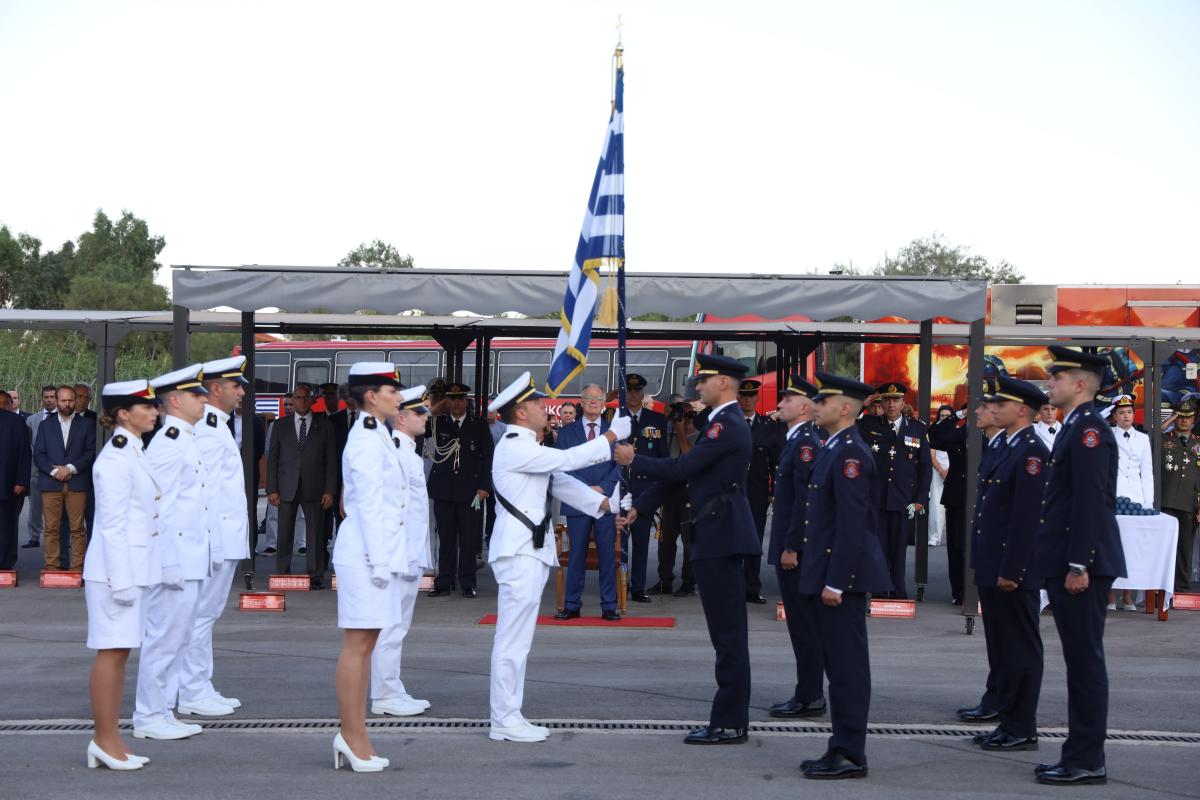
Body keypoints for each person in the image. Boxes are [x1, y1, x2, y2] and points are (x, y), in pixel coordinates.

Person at [616, 354, 760, 745]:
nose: (698, 387)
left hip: (722, 535)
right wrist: (640, 508)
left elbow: (680, 470)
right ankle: (729, 718)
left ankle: (730, 721)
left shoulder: (725, 426)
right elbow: (686, 479)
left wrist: (634, 460)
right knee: (724, 634)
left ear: (724, 384)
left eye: (704, 380)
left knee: (729, 635)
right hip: (715, 534)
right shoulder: (717, 423)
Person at [488, 372, 627, 743]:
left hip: (527, 552)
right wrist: (612, 436)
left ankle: (510, 713)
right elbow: (567, 460)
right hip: (518, 552)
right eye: (535, 404)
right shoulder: (516, 445)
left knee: (519, 639)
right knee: (512, 640)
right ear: (520, 413)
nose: (542, 408)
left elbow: (561, 482)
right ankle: (503, 718)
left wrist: (602, 504)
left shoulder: (526, 446)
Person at [1033, 346, 1127, 786]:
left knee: (1085, 663)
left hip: (1081, 564)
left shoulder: (1088, 430)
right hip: (1070, 560)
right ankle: (1078, 753)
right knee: (1079, 661)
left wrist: (1078, 564)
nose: (1049, 383)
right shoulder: (1075, 426)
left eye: (1057, 377)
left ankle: (1087, 759)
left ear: (1081, 384)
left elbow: (1091, 503)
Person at [796, 372, 892, 779]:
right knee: (839, 667)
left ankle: (851, 753)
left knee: (848, 669)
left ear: (847, 408)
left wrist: (836, 580)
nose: (816, 406)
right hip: (831, 573)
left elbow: (853, 527)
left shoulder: (850, 453)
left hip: (843, 578)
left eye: (824, 400)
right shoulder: (835, 447)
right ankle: (840, 746)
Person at [330, 363, 409, 771]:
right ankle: (351, 734)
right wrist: (380, 562)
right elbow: (367, 506)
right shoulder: (364, 439)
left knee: (367, 644)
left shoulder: (379, 435)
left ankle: (356, 733)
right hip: (365, 555)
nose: (399, 396)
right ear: (371, 396)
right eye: (392, 390)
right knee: (357, 646)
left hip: (376, 554)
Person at [82, 380, 162, 771]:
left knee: (120, 653)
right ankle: (104, 739)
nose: (154, 412)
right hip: (116, 573)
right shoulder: (114, 458)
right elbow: (111, 526)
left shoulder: (133, 451)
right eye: (144, 408)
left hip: (130, 569)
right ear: (123, 414)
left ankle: (111, 737)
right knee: (111, 653)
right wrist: (122, 581)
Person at [968, 376, 1050, 753]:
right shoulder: (1007, 445)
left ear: (1021, 410)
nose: (992, 409)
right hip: (994, 561)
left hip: (1013, 567)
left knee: (1021, 647)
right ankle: (1007, 716)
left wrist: (1013, 569)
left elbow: (1026, 518)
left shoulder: (1031, 452)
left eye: (1001, 404)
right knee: (1002, 644)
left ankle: (1022, 725)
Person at [133, 365, 210, 741]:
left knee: (179, 638)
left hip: (190, 557)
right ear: (176, 401)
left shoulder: (186, 439)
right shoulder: (168, 442)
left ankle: (164, 709)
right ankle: (149, 715)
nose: (205, 399)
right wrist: (167, 562)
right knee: (164, 638)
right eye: (198, 395)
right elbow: (155, 507)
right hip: (175, 559)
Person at [175, 357, 252, 718]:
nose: (241, 392)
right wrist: (214, 543)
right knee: (200, 615)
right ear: (216, 389)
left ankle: (200, 684)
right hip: (215, 539)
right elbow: (202, 491)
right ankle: (191, 690)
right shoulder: (207, 427)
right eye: (235, 385)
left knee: (207, 614)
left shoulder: (217, 424)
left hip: (225, 536)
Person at [370, 386, 436, 718]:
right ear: (401, 417)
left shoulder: (407, 452)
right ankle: (384, 693)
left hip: (408, 552)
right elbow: (394, 511)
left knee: (398, 625)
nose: (426, 416)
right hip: (400, 554)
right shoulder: (397, 452)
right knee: (391, 625)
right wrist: (405, 557)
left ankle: (391, 687)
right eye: (419, 412)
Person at [766, 375, 827, 720]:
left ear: (804, 406)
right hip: (792, 547)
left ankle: (810, 695)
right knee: (800, 626)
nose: (779, 405)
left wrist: (792, 547)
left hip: (797, 551)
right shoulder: (795, 440)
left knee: (805, 626)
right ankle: (808, 692)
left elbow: (805, 502)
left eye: (787, 400)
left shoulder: (805, 443)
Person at [552, 384, 622, 620]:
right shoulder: (566, 433)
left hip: (605, 500)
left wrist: (602, 488)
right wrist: (585, 491)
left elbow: (620, 465)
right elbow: (563, 465)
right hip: (577, 501)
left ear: (604, 404)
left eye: (598, 399)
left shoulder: (615, 431)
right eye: (588, 398)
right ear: (580, 402)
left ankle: (609, 605)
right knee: (576, 554)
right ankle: (572, 605)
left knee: (607, 555)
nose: (593, 402)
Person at [857, 382, 931, 599]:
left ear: (903, 403)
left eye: (895, 400)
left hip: (904, 499)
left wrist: (921, 500)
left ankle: (898, 591)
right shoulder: (869, 423)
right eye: (887, 400)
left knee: (899, 549)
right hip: (876, 497)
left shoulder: (917, 428)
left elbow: (925, 467)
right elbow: (846, 421)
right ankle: (880, 591)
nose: (891, 405)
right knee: (877, 548)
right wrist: (864, 403)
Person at [266, 384, 338, 584]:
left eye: (306, 398)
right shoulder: (280, 425)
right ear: (293, 400)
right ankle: (282, 573)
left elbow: (332, 461)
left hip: (315, 487)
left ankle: (315, 575)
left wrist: (330, 491)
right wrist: (272, 489)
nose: (302, 401)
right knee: (284, 533)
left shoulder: (324, 425)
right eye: (298, 397)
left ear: (312, 400)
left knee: (315, 534)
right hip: (286, 487)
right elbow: (273, 460)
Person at [427, 382, 493, 598]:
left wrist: (484, 487)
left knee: (468, 540)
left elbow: (487, 459)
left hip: (470, 492)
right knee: (446, 540)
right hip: (444, 490)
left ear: (467, 401)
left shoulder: (479, 425)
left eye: (460, 398)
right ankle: (443, 582)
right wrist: (433, 410)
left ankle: (467, 583)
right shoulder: (437, 423)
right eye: (452, 399)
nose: (456, 403)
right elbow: (417, 425)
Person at [615, 373, 669, 603]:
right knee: (618, 543)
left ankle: (637, 587)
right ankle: (618, 586)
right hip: (618, 490)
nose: (634, 394)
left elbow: (663, 457)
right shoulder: (615, 417)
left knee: (641, 543)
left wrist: (657, 492)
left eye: (638, 390)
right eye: (630, 390)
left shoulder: (657, 420)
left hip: (644, 492)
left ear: (643, 393)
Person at [33, 385, 96, 571]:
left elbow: (91, 452)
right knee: (51, 528)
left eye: (70, 400)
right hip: (51, 483)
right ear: (56, 401)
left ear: (75, 401)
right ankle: (52, 567)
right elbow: (38, 455)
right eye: (63, 400)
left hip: (77, 483)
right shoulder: (45, 425)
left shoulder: (87, 425)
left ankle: (78, 568)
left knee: (78, 529)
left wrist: (69, 468)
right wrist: (56, 472)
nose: (67, 404)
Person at [738, 379, 784, 604]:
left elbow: (776, 460)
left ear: (756, 397)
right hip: (732, 490)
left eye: (751, 395)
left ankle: (752, 587)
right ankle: (733, 587)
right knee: (732, 539)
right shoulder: (731, 422)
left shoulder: (767, 425)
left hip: (757, 491)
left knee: (754, 539)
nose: (747, 399)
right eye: (743, 396)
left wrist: (774, 490)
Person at [1108, 394, 1153, 610]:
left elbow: (1147, 472)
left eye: (1129, 412)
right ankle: (1110, 596)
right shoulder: (1108, 436)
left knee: (1132, 548)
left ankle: (1128, 596)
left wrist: (1147, 502)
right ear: (1114, 416)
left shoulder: (1143, 439)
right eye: (1122, 413)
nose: (1126, 416)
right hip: (1115, 496)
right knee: (1111, 546)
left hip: (1135, 498)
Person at [651, 399, 698, 597]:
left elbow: (690, 460)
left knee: (690, 541)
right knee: (666, 541)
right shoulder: (668, 434)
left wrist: (681, 432)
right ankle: (665, 580)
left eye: (685, 415)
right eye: (678, 416)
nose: (681, 420)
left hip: (690, 493)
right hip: (670, 492)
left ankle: (689, 582)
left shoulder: (698, 435)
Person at [1160, 398, 1200, 594]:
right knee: (1164, 549)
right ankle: (1162, 587)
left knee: (1185, 549)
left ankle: (1181, 589)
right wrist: (1165, 424)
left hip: (1189, 503)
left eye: (1188, 417)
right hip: (1166, 502)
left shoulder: (1198, 444)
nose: (1184, 421)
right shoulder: (1163, 439)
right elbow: (1147, 441)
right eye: (1180, 417)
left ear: (1194, 420)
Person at [21, 386, 59, 549]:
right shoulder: (32, 420)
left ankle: (61, 537)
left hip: (59, 470)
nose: (49, 399)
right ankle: (34, 537)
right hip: (36, 470)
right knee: (35, 507)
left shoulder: (64, 418)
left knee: (59, 509)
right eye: (46, 397)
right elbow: (28, 445)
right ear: (42, 398)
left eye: (52, 396)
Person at [0, 400, 31, 570]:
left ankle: (5, 563)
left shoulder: (16, 421)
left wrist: (21, 481)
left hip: (8, 484)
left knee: (7, 526)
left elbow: (24, 452)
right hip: (8, 484)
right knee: (6, 526)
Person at [927, 405, 954, 546]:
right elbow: (932, 454)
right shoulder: (935, 431)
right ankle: (934, 537)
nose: (945, 418)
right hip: (937, 471)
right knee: (936, 504)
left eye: (947, 415)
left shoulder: (957, 431)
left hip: (954, 471)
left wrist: (949, 470)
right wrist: (941, 470)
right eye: (942, 415)